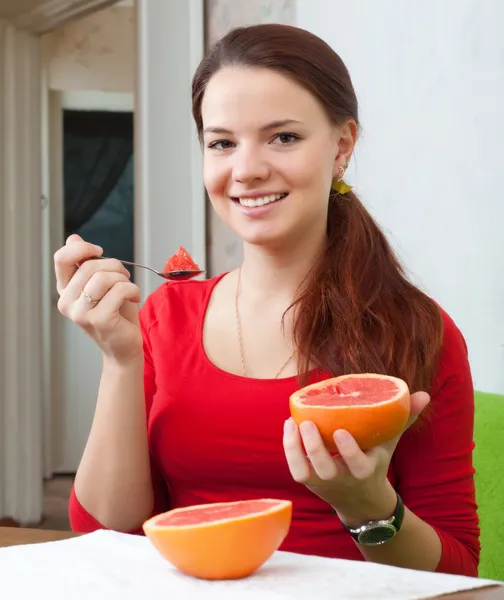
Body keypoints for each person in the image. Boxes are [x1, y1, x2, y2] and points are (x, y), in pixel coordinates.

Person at [54, 24, 479, 576]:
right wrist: (119, 358)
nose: (247, 169)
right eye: (222, 142)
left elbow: (461, 572)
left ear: (342, 145)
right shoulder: (164, 316)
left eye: (283, 137)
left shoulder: (419, 331)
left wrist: (367, 504)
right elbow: (106, 531)